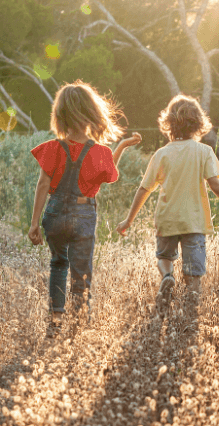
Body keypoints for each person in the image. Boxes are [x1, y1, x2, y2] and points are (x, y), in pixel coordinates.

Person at [115, 94, 219, 307]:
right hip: (194, 222)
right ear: (199, 124)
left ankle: (167, 277)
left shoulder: (162, 154)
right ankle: (190, 317)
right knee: (194, 274)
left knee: (164, 258)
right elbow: (216, 185)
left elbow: (144, 189)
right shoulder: (204, 151)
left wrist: (128, 220)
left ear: (169, 124)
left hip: (167, 220)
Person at [28, 81, 141, 337]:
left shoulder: (52, 147)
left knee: (58, 263)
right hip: (83, 214)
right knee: (81, 272)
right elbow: (110, 174)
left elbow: (43, 184)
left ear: (60, 115)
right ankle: (78, 325)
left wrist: (34, 222)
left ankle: (56, 320)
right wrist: (120, 146)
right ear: (91, 113)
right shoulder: (100, 152)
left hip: (54, 213)